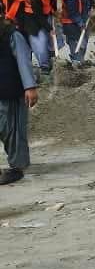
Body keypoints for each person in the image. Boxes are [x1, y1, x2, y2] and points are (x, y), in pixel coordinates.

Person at [0, 15, 38, 185]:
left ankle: (17, 167)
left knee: (13, 130)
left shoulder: (12, 35)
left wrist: (29, 87)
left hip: (12, 91)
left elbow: (24, 61)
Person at [24, 0, 59, 76]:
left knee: (55, 39)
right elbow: (39, 16)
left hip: (46, 14)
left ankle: (52, 58)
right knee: (40, 42)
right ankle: (44, 67)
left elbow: (53, 1)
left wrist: (54, 11)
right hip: (32, 18)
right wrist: (49, 28)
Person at [59, 0, 94, 68]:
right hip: (70, 23)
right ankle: (76, 61)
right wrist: (81, 24)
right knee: (75, 43)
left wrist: (92, 6)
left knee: (84, 42)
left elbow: (90, 0)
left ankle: (80, 60)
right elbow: (73, 13)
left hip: (82, 20)